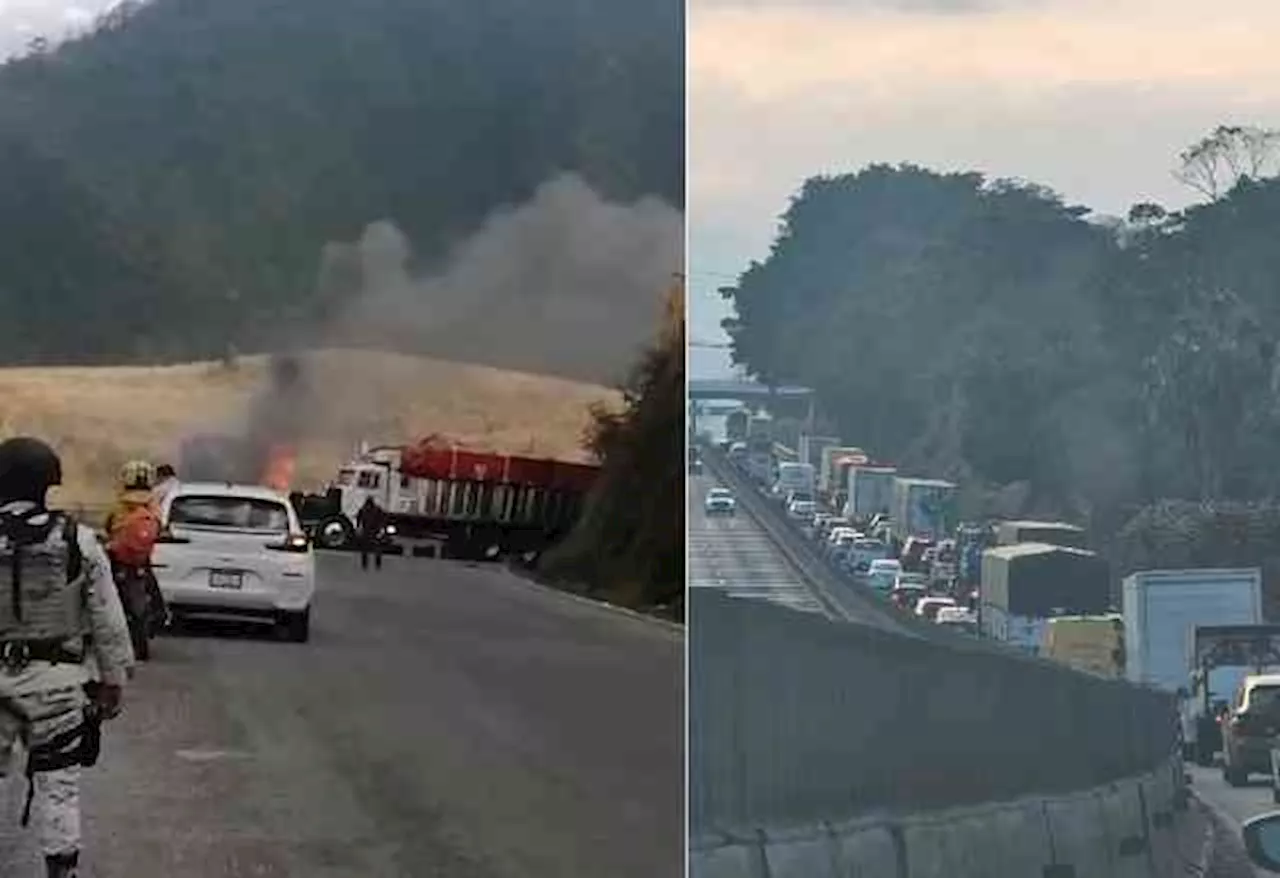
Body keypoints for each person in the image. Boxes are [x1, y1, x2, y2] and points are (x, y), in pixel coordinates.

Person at [0, 437, 134, 878]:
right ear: (48, 484)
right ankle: (61, 870)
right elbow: (108, 620)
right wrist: (114, 681)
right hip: (56, 683)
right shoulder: (80, 540)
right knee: (59, 787)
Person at [103, 461, 165, 659]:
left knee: (102, 590)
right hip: (141, 560)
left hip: (117, 558)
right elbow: (160, 526)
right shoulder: (153, 505)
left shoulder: (119, 504)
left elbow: (107, 525)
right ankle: (160, 614)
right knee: (152, 587)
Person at [356, 496, 386, 571]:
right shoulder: (377, 509)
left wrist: (358, 528)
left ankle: (364, 564)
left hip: (366, 531)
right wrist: (381, 529)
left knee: (365, 549)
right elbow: (382, 519)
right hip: (375, 530)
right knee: (377, 549)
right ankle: (377, 565)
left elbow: (359, 520)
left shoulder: (363, 509)